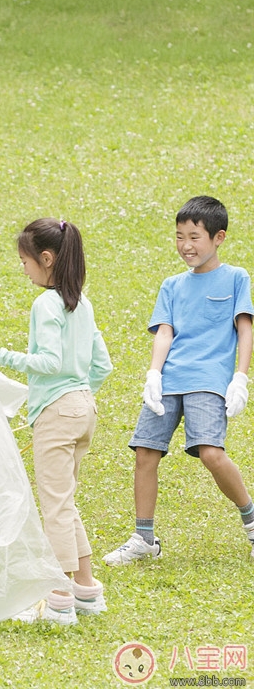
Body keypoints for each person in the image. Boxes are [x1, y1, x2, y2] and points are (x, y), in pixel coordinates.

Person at [0, 217, 112, 625]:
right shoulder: (82, 304)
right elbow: (101, 364)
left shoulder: (46, 304)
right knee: (64, 501)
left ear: (46, 259)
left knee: (54, 507)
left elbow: (49, 362)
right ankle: (86, 589)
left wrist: (1, 357)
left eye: (25, 261)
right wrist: (78, 394)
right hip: (83, 408)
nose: (23, 268)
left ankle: (57, 598)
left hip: (59, 412)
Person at [104, 196, 254, 567]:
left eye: (194, 237)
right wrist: (153, 373)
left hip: (208, 380)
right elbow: (165, 331)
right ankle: (144, 538)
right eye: (179, 236)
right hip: (170, 379)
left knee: (211, 453)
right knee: (145, 453)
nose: (185, 246)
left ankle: (251, 521)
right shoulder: (171, 285)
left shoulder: (236, 278)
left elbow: (244, 328)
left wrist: (240, 377)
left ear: (218, 237)